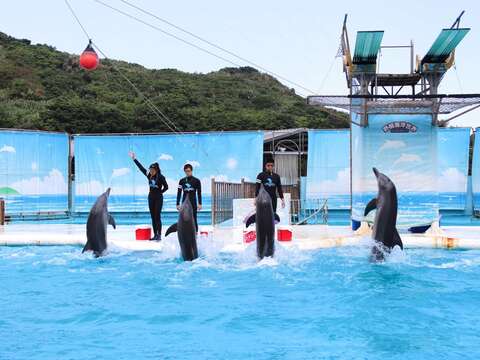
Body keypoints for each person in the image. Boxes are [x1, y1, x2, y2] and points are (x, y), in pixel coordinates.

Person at [129, 151, 168, 241]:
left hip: (158, 198)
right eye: (150, 170)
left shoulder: (161, 177)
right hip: (151, 197)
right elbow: (141, 168)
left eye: (152, 170)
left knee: (157, 215)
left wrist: (160, 192)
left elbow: (166, 187)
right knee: (153, 216)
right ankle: (155, 235)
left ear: (156, 170)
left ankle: (159, 234)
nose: (151, 171)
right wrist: (134, 159)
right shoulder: (149, 175)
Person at [176, 164, 202, 231]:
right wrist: (177, 203)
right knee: (184, 218)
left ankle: (195, 233)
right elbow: (179, 192)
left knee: (194, 218)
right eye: (186, 171)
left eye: (189, 171)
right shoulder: (181, 181)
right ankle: (186, 233)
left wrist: (200, 203)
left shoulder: (197, 181)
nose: (188, 173)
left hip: (193, 202)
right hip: (184, 202)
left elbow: (199, 193)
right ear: (184, 171)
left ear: (191, 170)